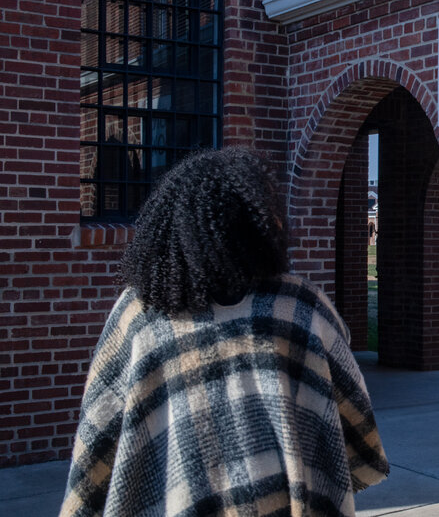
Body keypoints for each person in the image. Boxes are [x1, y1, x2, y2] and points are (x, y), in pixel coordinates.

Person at [60, 149, 388, 516]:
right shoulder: (299, 306)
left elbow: (99, 424)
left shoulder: (140, 313)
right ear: (257, 225)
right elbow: (352, 409)